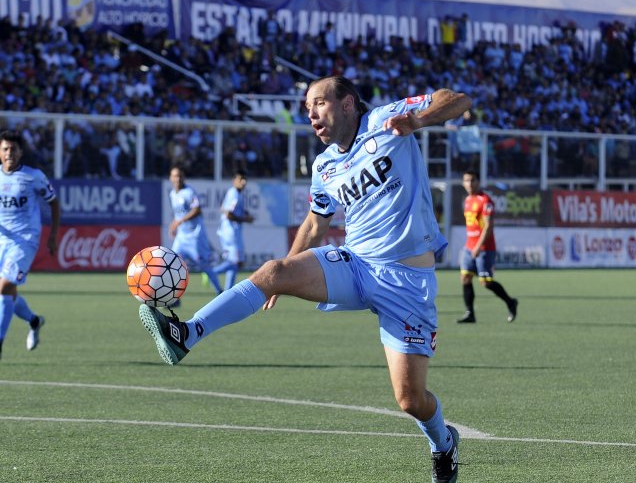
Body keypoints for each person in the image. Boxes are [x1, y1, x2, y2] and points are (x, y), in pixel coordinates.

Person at [138, 76, 471, 482]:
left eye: (318, 103)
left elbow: (455, 100)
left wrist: (418, 121)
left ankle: (442, 443)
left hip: (407, 282)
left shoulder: (387, 119)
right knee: (272, 270)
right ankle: (186, 334)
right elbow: (316, 224)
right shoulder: (324, 165)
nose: (310, 113)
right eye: (307, 107)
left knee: (410, 399)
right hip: (356, 265)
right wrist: (282, 277)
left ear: (348, 103)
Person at [0, 130, 59, 357]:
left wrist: (53, 236)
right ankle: (34, 321)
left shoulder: (33, 176)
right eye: (5, 149)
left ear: (21, 152)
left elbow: (53, 204)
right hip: (1, 240)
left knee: (4, 286)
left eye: (13, 149)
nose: (9, 153)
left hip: (24, 241)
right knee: (8, 292)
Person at [456, 170, 519, 324]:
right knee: (465, 278)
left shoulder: (486, 201)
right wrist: (471, 245)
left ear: (478, 181)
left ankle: (511, 302)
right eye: (466, 181)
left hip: (484, 248)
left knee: (485, 282)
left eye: (472, 180)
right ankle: (470, 313)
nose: (469, 184)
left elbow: (488, 227)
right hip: (469, 246)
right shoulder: (468, 200)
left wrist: (478, 246)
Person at [168, 166, 224, 296]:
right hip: (181, 237)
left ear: (184, 177)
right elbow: (178, 215)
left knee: (204, 265)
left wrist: (179, 221)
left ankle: (219, 291)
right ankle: (174, 297)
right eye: (175, 176)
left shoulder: (189, 192)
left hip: (194, 236)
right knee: (172, 264)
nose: (178, 178)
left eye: (180, 175)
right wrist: (174, 225)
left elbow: (197, 210)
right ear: (171, 178)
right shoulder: (172, 194)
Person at [212, 170, 254, 291]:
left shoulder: (236, 193)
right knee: (237, 262)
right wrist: (246, 219)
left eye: (245, 179)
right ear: (234, 181)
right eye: (241, 179)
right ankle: (212, 273)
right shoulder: (235, 194)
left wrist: (244, 212)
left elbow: (223, 209)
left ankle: (228, 291)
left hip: (229, 231)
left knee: (235, 263)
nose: (244, 182)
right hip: (230, 232)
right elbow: (229, 215)